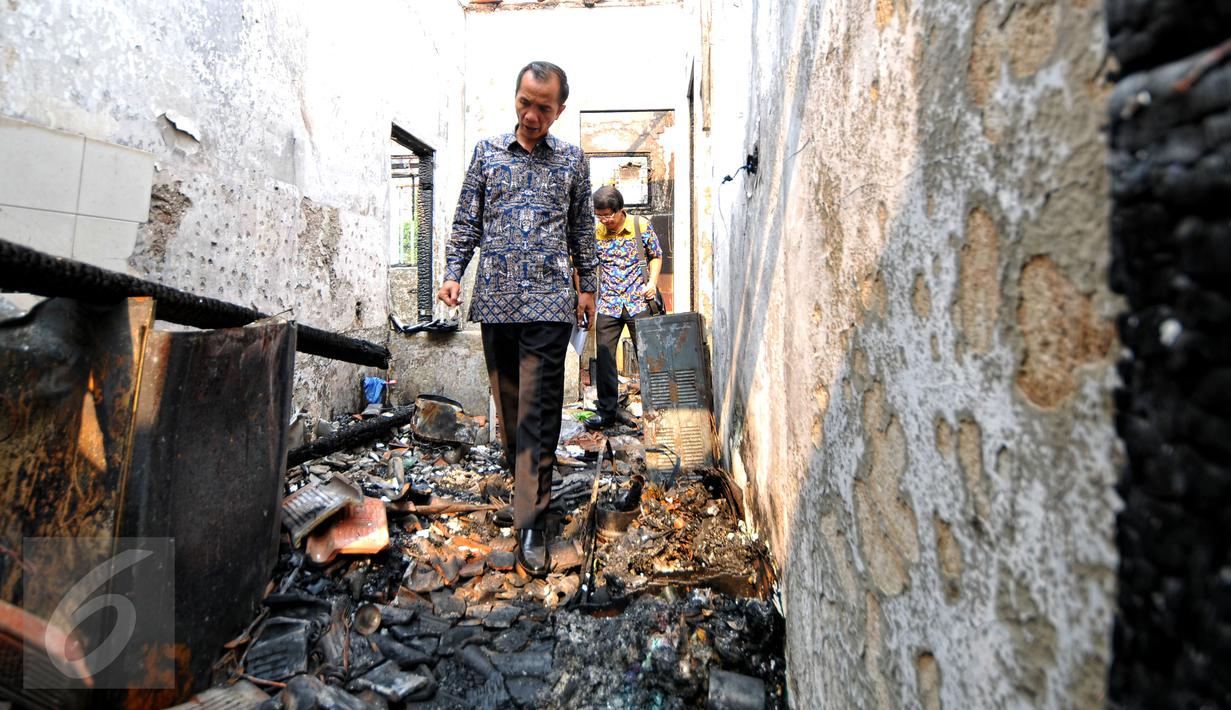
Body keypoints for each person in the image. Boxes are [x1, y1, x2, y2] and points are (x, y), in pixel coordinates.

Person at [437, 61, 597, 577]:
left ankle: (531, 520)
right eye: (524, 103)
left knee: (538, 408)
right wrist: (453, 272)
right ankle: (522, 477)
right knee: (510, 406)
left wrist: (588, 286)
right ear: (516, 98)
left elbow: (582, 229)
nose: (531, 115)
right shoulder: (487, 152)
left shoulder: (573, 162)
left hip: (551, 302)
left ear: (560, 110)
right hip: (497, 304)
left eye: (543, 107)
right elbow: (467, 218)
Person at [585, 185, 663, 432]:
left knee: (649, 357)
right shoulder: (596, 233)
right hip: (608, 303)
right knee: (605, 359)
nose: (605, 220)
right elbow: (584, 265)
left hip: (637, 300)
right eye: (600, 216)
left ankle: (657, 413)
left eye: (608, 215)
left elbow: (656, 254)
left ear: (620, 211)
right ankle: (607, 412)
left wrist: (652, 282)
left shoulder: (640, 226)